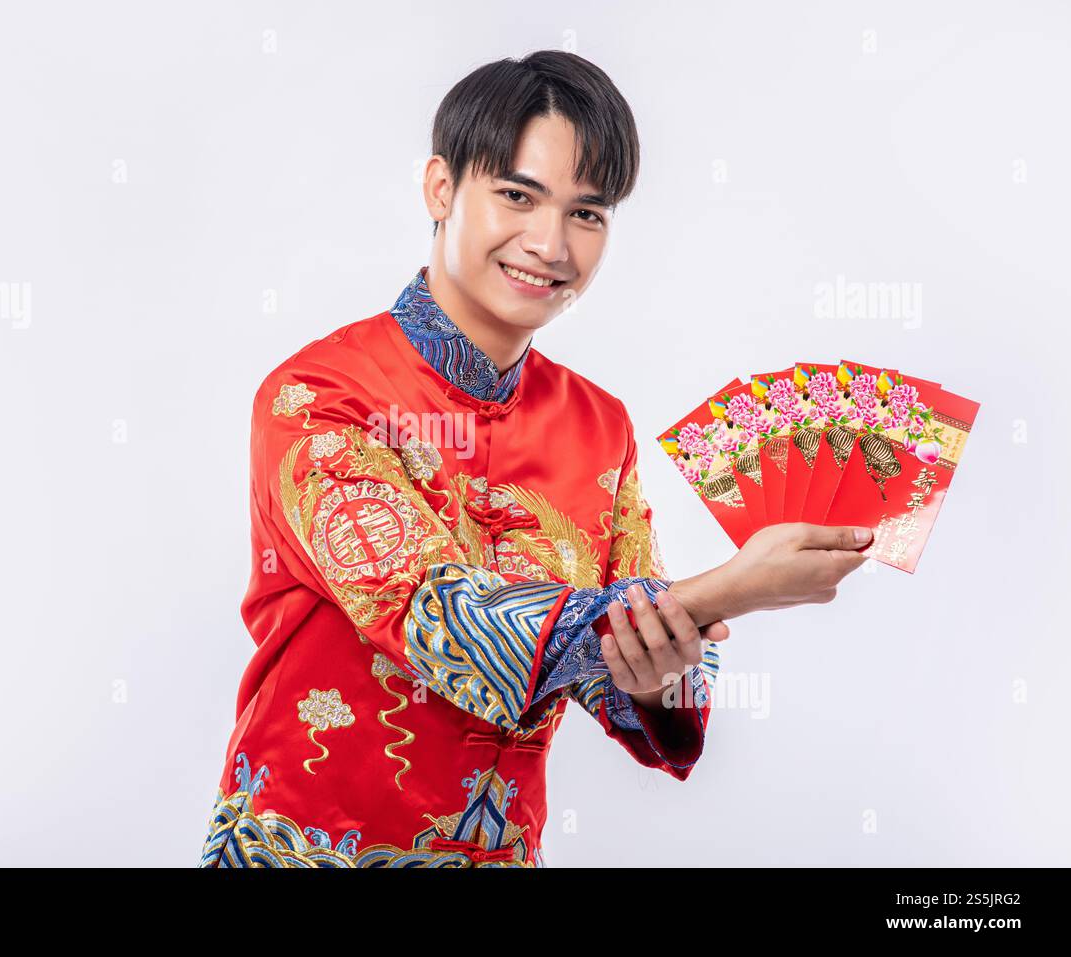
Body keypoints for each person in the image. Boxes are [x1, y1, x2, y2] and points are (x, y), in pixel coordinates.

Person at [199, 50, 869, 868]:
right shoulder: (316, 397)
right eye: (518, 196)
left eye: (587, 214)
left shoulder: (599, 425)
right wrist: (730, 587)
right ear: (441, 189)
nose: (550, 244)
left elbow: (639, 693)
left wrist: (662, 667)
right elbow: (440, 619)